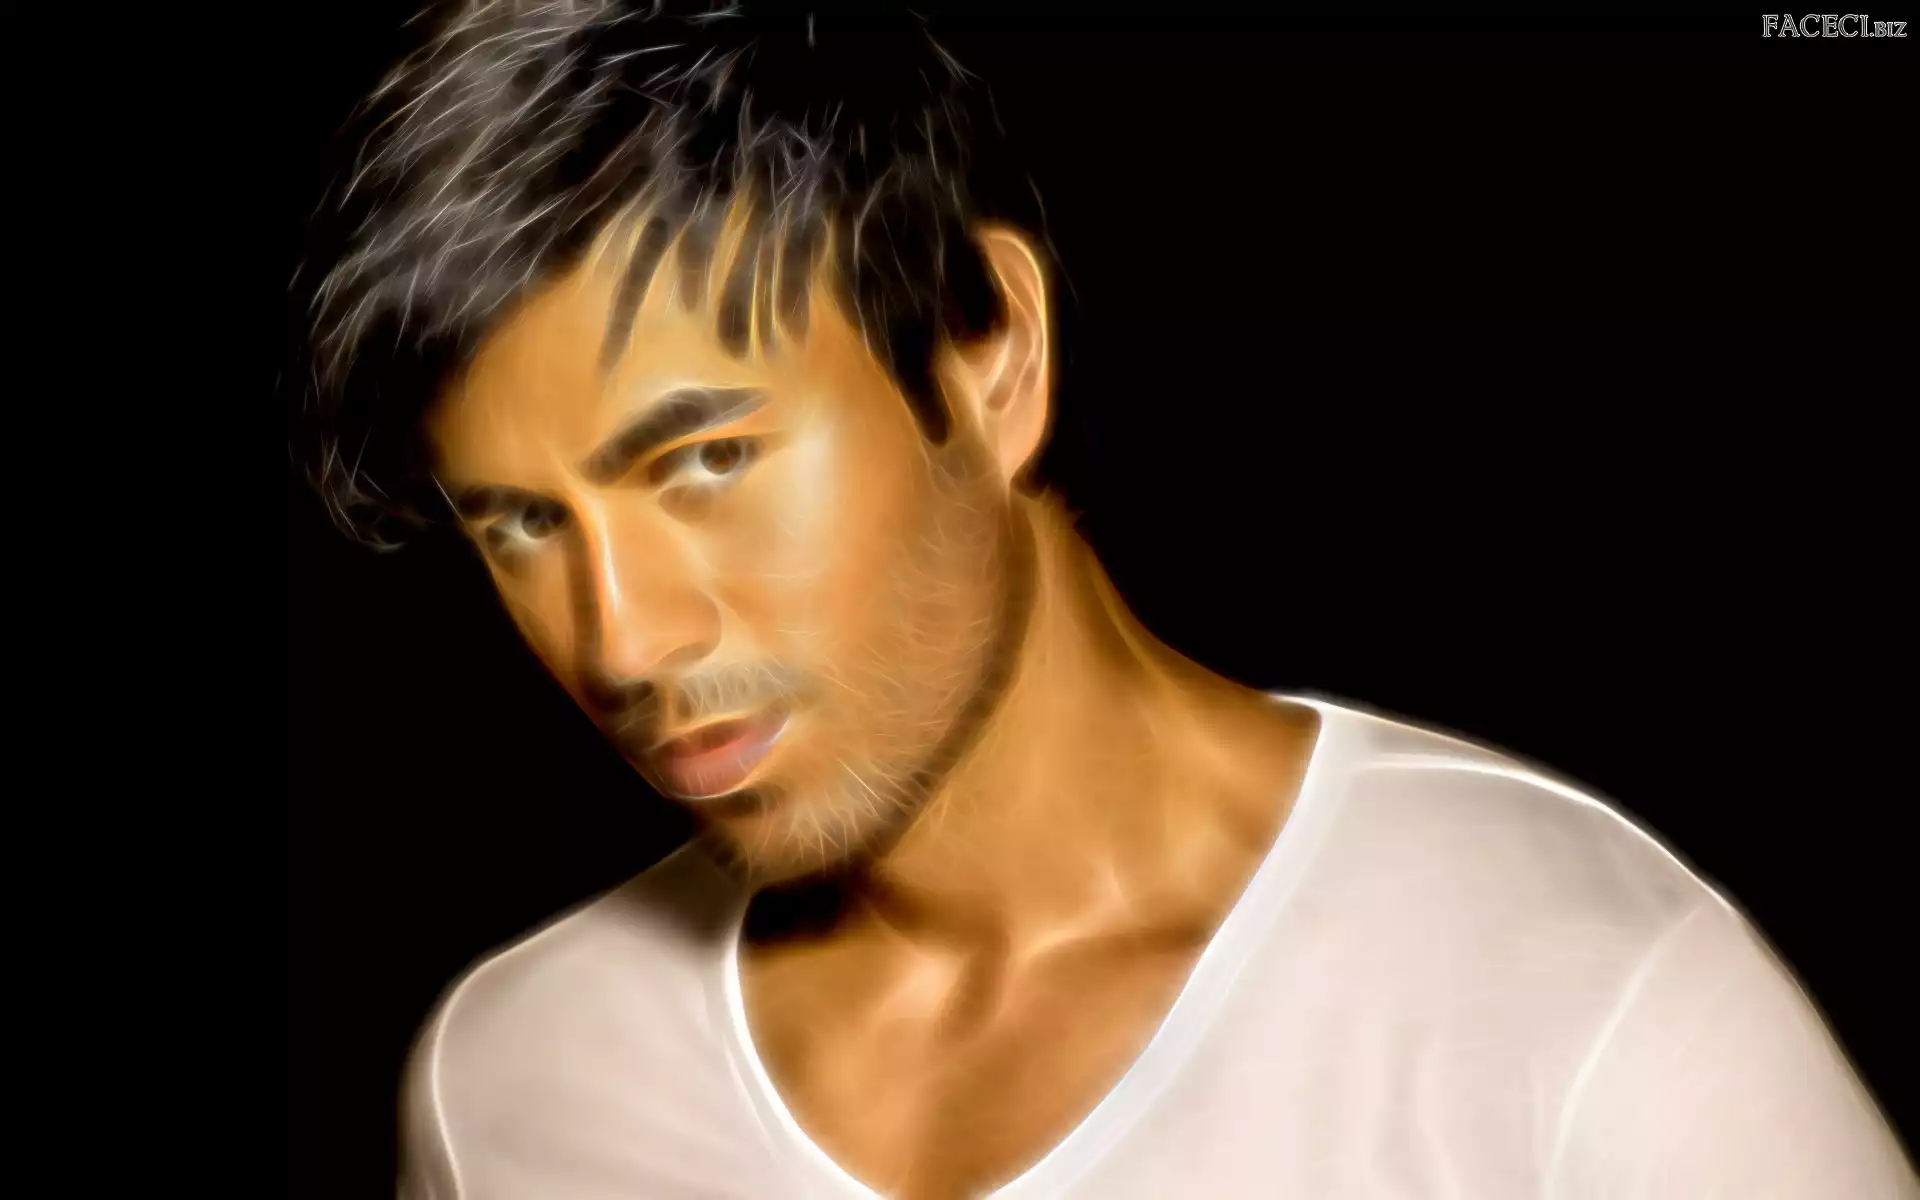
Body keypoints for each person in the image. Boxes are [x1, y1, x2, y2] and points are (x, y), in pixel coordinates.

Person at [292, 3, 1915, 1197]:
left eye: (706, 459)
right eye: (520, 525)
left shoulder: (1593, 1012)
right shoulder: (512, 1084)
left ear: (992, 353)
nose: (623, 639)